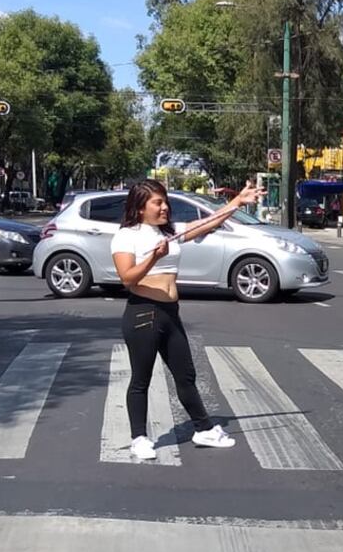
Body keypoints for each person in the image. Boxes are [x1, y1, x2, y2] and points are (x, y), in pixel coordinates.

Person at [112, 179, 265, 460]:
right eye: (157, 202)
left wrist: (236, 202)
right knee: (141, 380)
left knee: (185, 375)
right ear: (139, 207)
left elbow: (209, 223)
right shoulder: (126, 236)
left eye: (165, 201)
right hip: (143, 312)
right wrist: (154, 258)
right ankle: (139, 438)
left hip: (170, 313)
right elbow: (127, 278)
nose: (164, 207)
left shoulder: (169, 232)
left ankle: (203, 429)